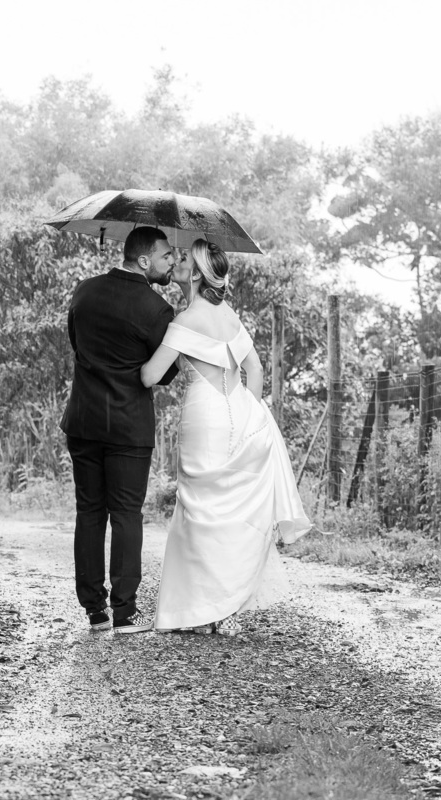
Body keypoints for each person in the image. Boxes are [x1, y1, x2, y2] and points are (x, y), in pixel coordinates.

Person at [140, 239, 312, 636]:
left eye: (183, 259)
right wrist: (248, 413)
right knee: (229, 511)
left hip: (203, 417)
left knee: (199, 510)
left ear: (197, 273)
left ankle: (199, 610)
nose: (177, 262)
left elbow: (150, 376)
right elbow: (255, 368)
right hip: (235, 411)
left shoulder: (183, 322)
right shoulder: (229, 316)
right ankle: (224, 607)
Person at [61, 226, 180, 634]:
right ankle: (126, 612)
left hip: (83, 421)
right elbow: (165, 375)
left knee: (89, 512)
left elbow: (77, 344)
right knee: (126, 514)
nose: (172, 263)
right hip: (128, 426)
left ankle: (94, 611)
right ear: (144, 260)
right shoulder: (156, 308)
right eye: (166, 255)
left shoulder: (84, 291)